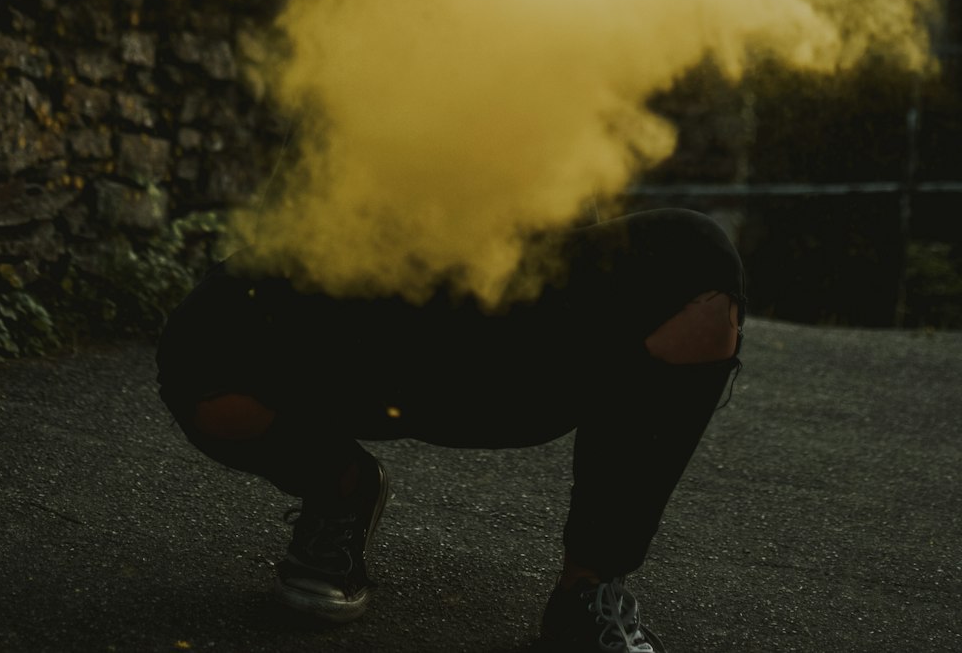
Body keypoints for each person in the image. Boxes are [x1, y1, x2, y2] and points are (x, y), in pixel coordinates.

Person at [156, 206, 744, 652]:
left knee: (699, 263)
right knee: (200, 348)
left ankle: (587, 589)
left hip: (509, 323)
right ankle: (339, 488)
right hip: (368, 309)